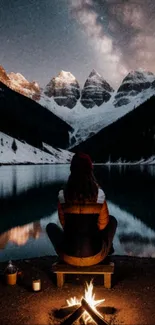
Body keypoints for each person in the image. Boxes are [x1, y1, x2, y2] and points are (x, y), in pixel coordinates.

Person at [46, 152, 117, 266]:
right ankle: (107, 251)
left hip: (68, 255)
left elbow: (64, 224)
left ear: (71, 170)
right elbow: (103, 225)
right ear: (90, 170)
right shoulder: (99, 194)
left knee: (50, 227)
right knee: (112, 220)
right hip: (95, 255)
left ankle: (70, 250)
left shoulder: (63, 195)